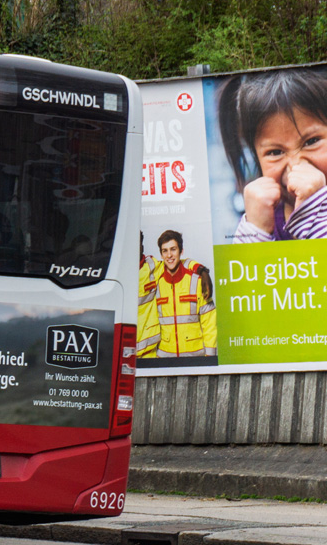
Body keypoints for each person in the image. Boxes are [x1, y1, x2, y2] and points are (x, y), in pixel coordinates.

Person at [218, 70, 327, 241]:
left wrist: (314, 207)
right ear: (256, 158)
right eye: (275, 152)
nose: (295, 166)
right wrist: (256, 230)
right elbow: (245, 267)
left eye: (311, 141)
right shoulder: (258, 220)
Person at [152, 230, 216, 359]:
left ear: (181, 251)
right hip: (165, 359)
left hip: (195, 357)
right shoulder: (156, 282)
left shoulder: (197, 281)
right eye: (165, 251)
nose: (169, 255)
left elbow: (209, 323)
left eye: (173, 249)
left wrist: (210, 356)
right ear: (161, 254)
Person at [135, 232, 163, 358]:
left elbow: (177, 264)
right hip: (123, 347)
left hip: (148, 349)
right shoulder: (115, 271)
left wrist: (201, 269)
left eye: (138, 243)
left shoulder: (152, 266)